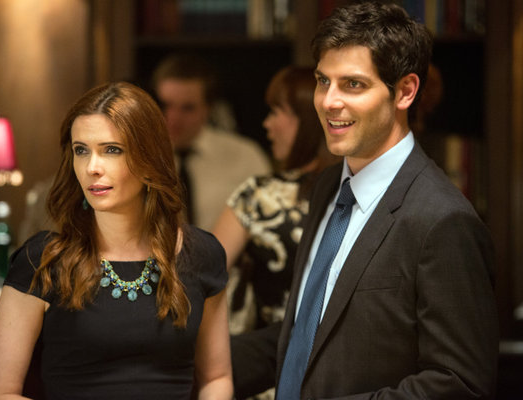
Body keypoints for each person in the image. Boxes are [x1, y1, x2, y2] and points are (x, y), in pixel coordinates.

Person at [238, 2, 499, 399]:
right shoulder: (329, 186)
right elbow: (311, 333)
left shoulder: (442, 221)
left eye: (353, 85)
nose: (328, 101)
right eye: (323, 81)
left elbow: (458, 383)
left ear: (405, 91)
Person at [0, 82, 233, 400]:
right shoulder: (42, 260)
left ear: (149, 157)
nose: (92, 167)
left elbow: (217, 378)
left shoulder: (202, 254)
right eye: (81, 150)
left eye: (111, 150)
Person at [213, 66, 338, 335]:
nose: (267, 124)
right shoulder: (358, 190)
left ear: (306, 118)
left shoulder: (260, 196)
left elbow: (204, 275)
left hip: (268, 353)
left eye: (275, 111)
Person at [152, 53, 272, 230]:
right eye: (165, 105)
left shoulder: (245, 156)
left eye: (188, 108)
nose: (174, 118)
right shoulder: (139, 155)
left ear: (208, 108)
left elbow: (269, 223)